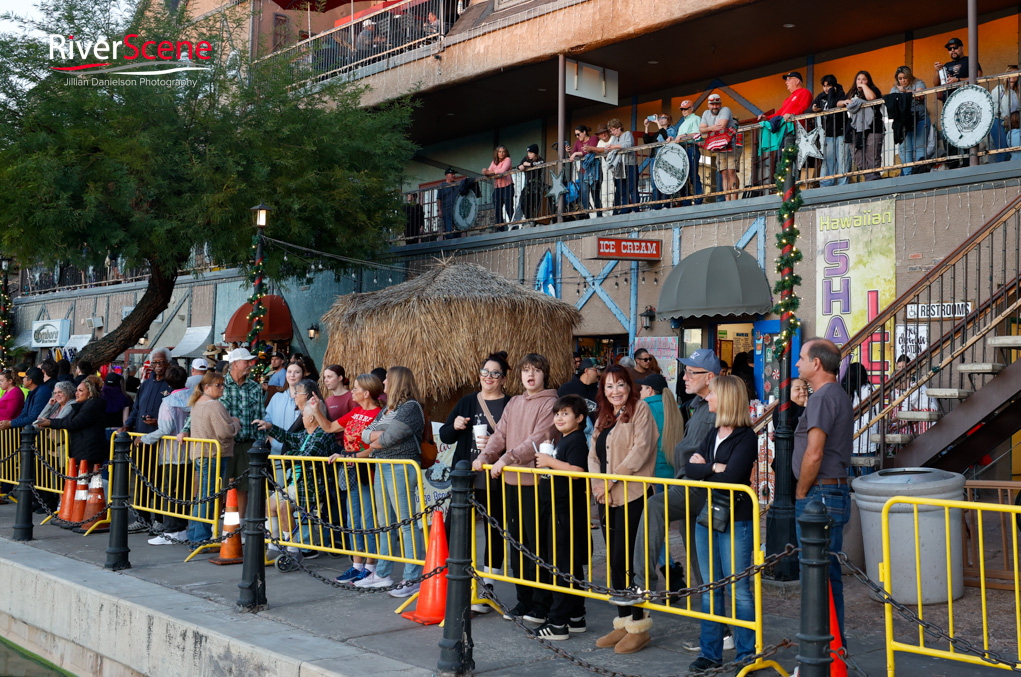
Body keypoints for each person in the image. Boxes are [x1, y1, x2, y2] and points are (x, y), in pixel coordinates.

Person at [610, 349, 721, 608]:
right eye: (686, 371)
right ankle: (717, 625)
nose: (684, 376)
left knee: (655, 508)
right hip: (685, 481)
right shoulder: (697, 407)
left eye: (692, 372)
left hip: (697, 485)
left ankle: (642, 583)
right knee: (697, 551)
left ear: (710, 377)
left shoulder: (716, 408)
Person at [473, 353, 558, 623]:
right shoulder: (515, 402)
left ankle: (541, 605)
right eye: (525, 371)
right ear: (519, 375)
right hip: (510, 482)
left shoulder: (551, 403)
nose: (530, 375)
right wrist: (485, 456)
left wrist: (507, 458)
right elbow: (501, 434)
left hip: (535, 484)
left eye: (536, 370)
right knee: (517, 543)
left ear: (545, 374)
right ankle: (523, 601)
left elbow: (539, 438)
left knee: (538, 545)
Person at [685, 375, 758, 674]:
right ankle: (710, 653)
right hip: (707, 516)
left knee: (738, 588)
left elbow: (733, 478)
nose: (708, 398)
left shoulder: (746, 437)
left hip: (736, 518)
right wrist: (711, 467)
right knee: (711, 587)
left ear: (726, 398)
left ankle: (746, 654)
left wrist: (704, 470)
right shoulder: (713, 432)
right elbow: (689, 468)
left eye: (712, 394)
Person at [589, 366, 658, 654]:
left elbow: (642, 448)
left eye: (619, 385)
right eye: (608, 386)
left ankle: (639, 626)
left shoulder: (641, 410)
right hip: (606, 497)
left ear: (629, 386)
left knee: (631, 560)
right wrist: (597, 484)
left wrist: (612, 478)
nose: (615, 391)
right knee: (614, 561)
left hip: (633, 494)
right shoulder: (603, 416)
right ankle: (623, 621)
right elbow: (592, 452)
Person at [439, 351, 512, 610]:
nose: (488, 377)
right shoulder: (468, 401)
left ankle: (487, 586)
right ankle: (455, 580)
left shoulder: (511, 404)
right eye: (485, 373)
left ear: (504, 378)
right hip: (466, 475)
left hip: (495, 476)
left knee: (495, 530)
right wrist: (456, 425)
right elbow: (446, 436)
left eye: (495, 374)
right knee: (455, 527)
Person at [793, 338, 853, 645]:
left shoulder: (822, 397)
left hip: (820, 495)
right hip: (831, 493)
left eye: (801, 358)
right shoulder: (833, 395)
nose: (797, 363)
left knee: (818, 581)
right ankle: (832, 651)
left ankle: (823, 656)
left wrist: (802, 493)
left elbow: (814, 453)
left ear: (816, 363)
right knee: (826, 580)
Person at [354, 366, 427, 597]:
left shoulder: (411, 407)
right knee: (385, 522)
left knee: (406, 523)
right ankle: (383, 573)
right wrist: (378, 438)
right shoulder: (387, 408)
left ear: (397, 382)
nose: (383, 384)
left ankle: (412, 577)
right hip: (383, 466)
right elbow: (364, 434)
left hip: (401, 468)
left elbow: (388, 438)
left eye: (386, 380)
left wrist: (377, 438)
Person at [182, 347, 265, 532]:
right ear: (235, 364)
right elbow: (198, 409)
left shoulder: (255, 387)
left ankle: (236, 528)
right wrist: (185, 430)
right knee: (217, 488)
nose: (250, 365)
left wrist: (260, 443)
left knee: (243, 487)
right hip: (221, 445)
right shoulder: (219, 384)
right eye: (246, 362)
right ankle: (214, 529)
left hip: (247, 443)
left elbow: (260, 415)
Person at [255, 392, 339, 568]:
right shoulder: (306, 433)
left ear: (311, 418)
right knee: (268, 505)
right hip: (296, 484)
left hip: (312, 486)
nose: (301, 417)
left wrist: (289, 455)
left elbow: (307, 456)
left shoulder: (322, 435)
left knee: (284, 506)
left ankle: (293, 551)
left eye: (303, 415)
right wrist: (269, 425)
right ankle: (274, 545)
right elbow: (289, 437)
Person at [532, 394, 592, 641]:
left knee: (561, 566)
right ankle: (575, 616)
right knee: (570, 565)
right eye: (557, 413)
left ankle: (558, 624)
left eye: (565, 413)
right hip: (559, 510)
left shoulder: (576, 441)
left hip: (565, 512)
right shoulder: (564, 439)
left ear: (579, 418)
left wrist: (549, 461)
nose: (559, 417)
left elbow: (578, 472)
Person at [319, 373, 384, 584]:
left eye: (355, 389)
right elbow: (329, 427)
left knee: (367, 519)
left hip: (368, 472)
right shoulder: (355, 411)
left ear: (366, 393)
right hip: (351, 471)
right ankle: (357, 566)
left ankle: (370, 567)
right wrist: (314, 410)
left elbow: (376, 447)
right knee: (353, 519)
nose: (352, 391)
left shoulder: (380, 415)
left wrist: (351, 456)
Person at [137, 364, 192, 545]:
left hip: (172, 452)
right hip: (191, 452)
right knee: (184, 492)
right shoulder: (194, 398)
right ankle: (181, 529)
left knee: (170, 491)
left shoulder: (168, 402)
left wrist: (145, 438)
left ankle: (172, 531)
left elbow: (165, 428)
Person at [183, 372, 241, 543]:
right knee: (207, 499)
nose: (222, 388)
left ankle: (195, 536)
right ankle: (201, 539)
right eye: (218, 385)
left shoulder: (197, 403)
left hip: (201, 455)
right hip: (213, 455)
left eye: (223, 385)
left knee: (201, 498)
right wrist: (236, 423)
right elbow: (225, 432)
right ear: (207, 387)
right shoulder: (214, 405)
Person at [757, 72, 813, 186]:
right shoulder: (787, 99)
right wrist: (766, 118)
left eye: (788, 79)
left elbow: (804, 108)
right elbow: (779, 113)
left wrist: (791, 114)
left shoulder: (805, 92)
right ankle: (781, 183)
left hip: (798, 130)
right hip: (785, 133)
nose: (786, 82)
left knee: (796, 157)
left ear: (797, 81)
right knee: (782, 158)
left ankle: (795, 182)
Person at [37, 377, 107, 468]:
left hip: (89, 452)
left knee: (87, 480)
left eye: (80, 391)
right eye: (77, 390)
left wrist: (50, 423)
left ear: (90, 393)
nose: (76, 393)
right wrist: (49, 406)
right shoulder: (81, 405)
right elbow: (38, 421)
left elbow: (73, 423)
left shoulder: (92, 405)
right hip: (82, 451)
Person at [638, 373, 683, 481]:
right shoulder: (674, 408)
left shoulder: (645, 409)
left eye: (642, 389)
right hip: (673, 472)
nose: (639, 392)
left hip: (653, 473)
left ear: (649, 390)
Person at [840, 70, 883, 181]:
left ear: (868, 81)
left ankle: (874, 180)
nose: (860, 81)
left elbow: (871, 98)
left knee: (872, 156)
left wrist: (863, 86)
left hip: (873, 128)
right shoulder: (852, 92)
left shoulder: (873, 90)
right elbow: (839, 104)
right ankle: (868, 179)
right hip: (854, 129)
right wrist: (845, 102)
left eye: (864, 79)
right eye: (858, 79)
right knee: (858, 156)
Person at [889, 66, 929, 175]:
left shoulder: (918, 82)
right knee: (906, 148)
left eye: (904, 78)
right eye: (900, 78)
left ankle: (920, 173)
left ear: (909, 77)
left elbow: (920, 95)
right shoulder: (895, 88)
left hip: (920, 117)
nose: (902, 80)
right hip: (904, 121)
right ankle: (908, 174)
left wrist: (906, 92)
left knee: (920, 146)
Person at [699, 93, 739, 199]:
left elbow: (722, 126)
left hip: (732, 144)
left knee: (731, 171)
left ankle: (734, 200)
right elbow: (701, 129)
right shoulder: (705, 113)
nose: (715, 106)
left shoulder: (725, 109)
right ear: (708, 105)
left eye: (717, 104)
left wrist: (708, 128)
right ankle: (727, 199)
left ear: (720, 104)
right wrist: (712, 127)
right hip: (719, 147)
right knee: (724, 173)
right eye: (712, 104)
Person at [813, 75, 849, 186]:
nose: (826, 89)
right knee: (828, 160)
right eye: (824, 86)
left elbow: (833, 103)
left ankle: (843, 183)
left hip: (842, 132)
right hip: (828, 133)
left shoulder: (841, 94)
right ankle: (826, 183)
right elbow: (809, 108)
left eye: (829, 86)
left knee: (843, 158)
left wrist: (831, 93)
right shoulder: (821, 96)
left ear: (834, 86)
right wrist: (814, 108)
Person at [601, 119, 639, 215]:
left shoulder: (627, 134)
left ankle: (635, 209)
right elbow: (610, 149)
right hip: (620, 166)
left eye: (614, 130)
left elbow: (628, 144)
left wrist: (613, 147)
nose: (612, 132)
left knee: (632, 187)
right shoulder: (614, 138)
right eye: (611, 130)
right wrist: (608, 148)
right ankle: (625, 209)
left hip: (630, 164)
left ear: (619, 128)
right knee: (622, 189)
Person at [841, 362, 878, 458]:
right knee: (868, 468)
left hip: (849, 435)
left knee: (849, 469)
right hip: (869, 434)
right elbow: (878, 410)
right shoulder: (870, 389)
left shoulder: (844, 390)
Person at [644, 113, 680, 208]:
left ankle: (666, 204)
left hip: (665, 158)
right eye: (659, 118)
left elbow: (664, 136)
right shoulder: (658, 132)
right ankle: (656, 205)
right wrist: (646, 127)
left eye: (664, 117)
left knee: (665, 181)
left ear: (669, 120)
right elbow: (647, 141)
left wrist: (657, 123)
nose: (660, 119)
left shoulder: (671, 130)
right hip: (654, 158)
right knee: (654, 182)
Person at [1, 367, 53, 432]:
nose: (23, 379)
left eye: (25, 377)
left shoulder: (42, 393)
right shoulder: (32, 392)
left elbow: (34, 417)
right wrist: (11, 423)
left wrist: (10, 423)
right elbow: (24, 413)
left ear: (30, 381)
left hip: (42, 434)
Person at [672, 101, 703, 205]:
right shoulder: (683, 123)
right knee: (683, 177)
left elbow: (698, 134)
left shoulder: (696, 118)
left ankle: (698, 200)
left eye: (685, 109)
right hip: (682, 150)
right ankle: (686, 202)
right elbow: (679, 138)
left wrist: (683, 135)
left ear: (692, 109)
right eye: (682, 109)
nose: (683, 111)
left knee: (693, 175)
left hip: (691, 148)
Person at [568, 126, 602, 216]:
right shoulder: (577, 142)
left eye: (578, 134)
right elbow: (573, 156)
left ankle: (599, 214)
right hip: (583, 170)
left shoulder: (593, 138)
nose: (577, 136)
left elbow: (591, 150)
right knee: (584, 193)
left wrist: (576, 153)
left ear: (584, 132)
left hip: (594, 169)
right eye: (575, 135)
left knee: (595, 193)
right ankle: (586, 214)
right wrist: (569, 152)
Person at [557, 357, 600, 426]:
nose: (599, 373)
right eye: (596, 370)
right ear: (586, 371)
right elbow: (557, 412)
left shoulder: (599, 391)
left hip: (594, 433)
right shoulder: (566, 389)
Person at [990, 66, 1020, 161]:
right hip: (998, 121)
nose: (1012, 75)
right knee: (1003, 151)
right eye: (1010, 72)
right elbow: (993, 106)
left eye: (1015, 73)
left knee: (1009, 153)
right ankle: (997, 175)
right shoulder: (999, 89)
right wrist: (1005, 117)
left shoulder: (1016, 93)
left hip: (1011, 124)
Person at [483, 146, 514, 225]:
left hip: (507, 186)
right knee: (497, 208)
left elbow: (502, 171)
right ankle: (500, 227)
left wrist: (490, 172)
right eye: (499, 152)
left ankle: (514, 225)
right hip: (497, 188)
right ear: (497, 153)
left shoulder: (507, 159)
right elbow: (487, 173)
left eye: (503, 151)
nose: (501, 153)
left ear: (506, 152)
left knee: (508, 207)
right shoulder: (494, 162)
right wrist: (487, 172)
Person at [517, 144, 548, 220]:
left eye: (531, 153)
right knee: (523, 201)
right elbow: (519, 165)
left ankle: (536, 219)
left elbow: (542, 163)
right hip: (528, 184)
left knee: (536, 201)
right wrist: (519, 167)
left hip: (537, 184)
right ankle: (528, 218)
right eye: (528, 153)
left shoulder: (539, 159)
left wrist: (529, 164)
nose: (529, 155)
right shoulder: (526, 158)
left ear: (535, 153)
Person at [438, 168, 460, 236]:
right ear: (447, 175)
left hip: (456, 210)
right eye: (452, 174)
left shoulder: (457, 184)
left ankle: (458, 240)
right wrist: (440, 210)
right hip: (447, 210)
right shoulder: (442, 185)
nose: (453, 175)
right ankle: (449, 240)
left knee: (458, 227)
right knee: (448, 228)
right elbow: (439, 198)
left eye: (454, 174)